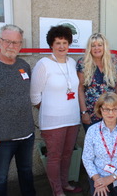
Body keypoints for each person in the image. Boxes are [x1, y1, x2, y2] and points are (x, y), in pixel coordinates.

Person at [0, 24, 36, 196]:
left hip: (26, 134)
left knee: (26, 173)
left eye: (16, 42)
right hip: (1, 138)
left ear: (21, 45)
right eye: (7, 41)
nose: (11, 46)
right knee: (0, 178)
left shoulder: (24, 66)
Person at [30, 25, 81, 196]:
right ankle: (57, 190)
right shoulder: (43, 64)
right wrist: (48, 109)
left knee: (67, 155)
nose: (61, 46)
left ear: (69, 44)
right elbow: (34, 95)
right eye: (57, 43)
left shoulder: (72, 63)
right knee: (55, 156)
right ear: (51, 45)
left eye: (64, 42)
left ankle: (65, 183)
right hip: (53, 121)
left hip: (72, 119)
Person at [82, 92, 117, 196]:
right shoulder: (92, 131)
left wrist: (111, 179)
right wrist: (99, 181)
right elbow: (87, 158)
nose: (110, 113)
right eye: (106, 109)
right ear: (100, 109)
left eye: (114, 109)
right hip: (98, 180)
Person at [77, 33, 117, 131]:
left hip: (111, 112)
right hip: (91, 113)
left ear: (104, 46)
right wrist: (84, 112)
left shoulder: (113, 62)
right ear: (89, 48)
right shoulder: (83, 63)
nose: (96, 48)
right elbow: (80, 88)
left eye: (99, 45)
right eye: (93, 45)